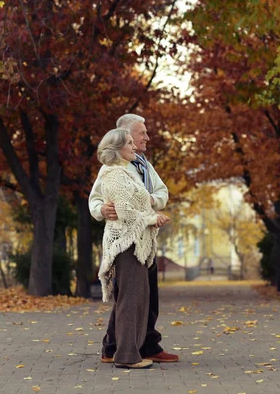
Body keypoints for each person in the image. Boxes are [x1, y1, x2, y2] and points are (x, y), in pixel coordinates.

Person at [89, 114, 179, 364]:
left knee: (143, 296)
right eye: (141, 133)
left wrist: (149, 202)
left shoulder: (143, 164)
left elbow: (160, 192)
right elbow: (98, 199)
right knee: (129, 296)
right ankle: (120, 349)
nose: (146, 137)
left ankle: (142, 344)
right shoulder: (113, 169)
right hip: (128, 239)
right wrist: (101, 210)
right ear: (125, 137)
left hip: (144, 239)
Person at [94, 128, 158, 369]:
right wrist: (153, 219)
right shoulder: (113, 175)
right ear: (117, 149)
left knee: (138, 297)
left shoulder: (128, 172)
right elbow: (127, 213)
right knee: (130, 300)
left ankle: (130, 352)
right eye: (129, 142)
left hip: (137, 243)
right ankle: (126, 356)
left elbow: (147, 200)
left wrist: (152, 212)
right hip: (126, 244)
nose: (134, 146)